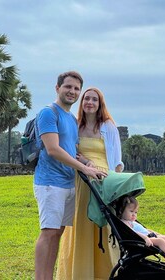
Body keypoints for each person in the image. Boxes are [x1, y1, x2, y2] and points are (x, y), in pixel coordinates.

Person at [34, 72, 107, 280]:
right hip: (50, 183)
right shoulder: (49, 113)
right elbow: (53, 149)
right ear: (57, 88)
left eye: (76, 89)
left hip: (68, 183)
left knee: (58, 233)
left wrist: (88, 163)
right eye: (68, 87)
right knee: (48, 233)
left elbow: (73, 151)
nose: (72, 92)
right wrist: (84, 169)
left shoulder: (71, 120)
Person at [56, 87, 124, 279]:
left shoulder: (108, 126)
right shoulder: (75, 126)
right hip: (82, 179)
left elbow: (117, 162)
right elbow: (72, 153)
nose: (90, 103)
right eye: (86, 99)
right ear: (82, 102)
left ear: (100, 104)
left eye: (94, 100)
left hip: (104, 180)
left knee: (104, 224)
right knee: (80, 224)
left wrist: (115, 188)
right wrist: (86, 163)